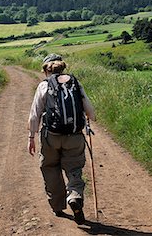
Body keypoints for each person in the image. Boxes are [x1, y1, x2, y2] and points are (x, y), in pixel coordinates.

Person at [27, 53, 96, 225]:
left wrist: (31, 137)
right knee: (74, 168)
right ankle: (74, 195)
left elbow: (34, 114)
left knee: (50, 167)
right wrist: (87, 119)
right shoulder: (75, 83)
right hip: (74, 137)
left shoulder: (44, 86)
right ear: (63, 67)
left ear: (46, 70)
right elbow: (91, 113)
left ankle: (58, 206)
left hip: (51, 136)